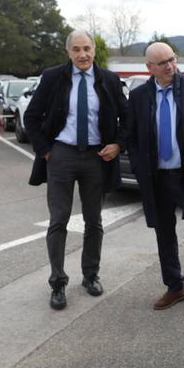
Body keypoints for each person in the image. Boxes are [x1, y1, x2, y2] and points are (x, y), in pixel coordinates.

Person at [23, 30, 128, 310]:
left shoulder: (109, 80)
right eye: (76, 49)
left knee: (94, 221)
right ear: (68, 52)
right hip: (62, 156)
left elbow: (127, 119)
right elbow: (31, 117)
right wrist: (46, 150)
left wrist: (117, 144)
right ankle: (57, 282)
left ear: (94, 50)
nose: (82, 54)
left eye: (87, 49)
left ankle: (91, 275)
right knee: (59, 220)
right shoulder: (53, 77)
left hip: (97, 158)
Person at [126, 42, 184, 311]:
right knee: (164, 234)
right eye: (162, 63)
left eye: (172, 59)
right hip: (156, 177)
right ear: (149, 68)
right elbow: (131, 137)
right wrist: (138, 165)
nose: (169, 66)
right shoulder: (139, 97)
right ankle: (175, 287)